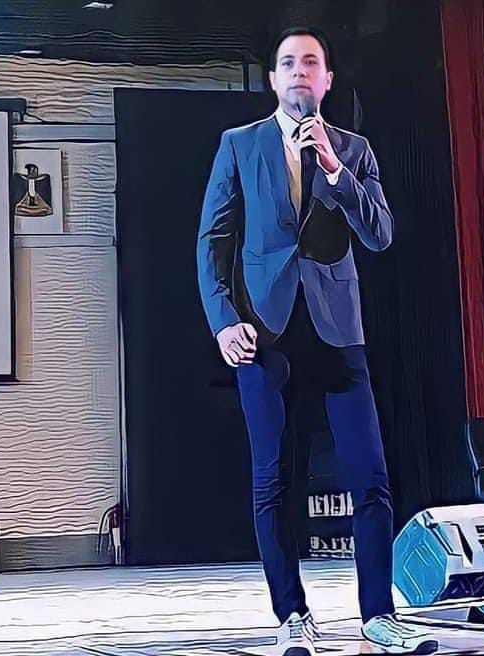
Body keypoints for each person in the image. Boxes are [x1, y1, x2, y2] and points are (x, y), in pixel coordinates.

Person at [196, 26, 437, 656]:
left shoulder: (354, 150)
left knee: (371, 477)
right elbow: (213, 241)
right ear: (273, 79)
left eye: (310, 63)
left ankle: (378, 615)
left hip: (337, 331)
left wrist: (333, 168)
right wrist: (223, 320)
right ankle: (292, 616)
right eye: (287, 63)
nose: (298, 71)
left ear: (327, 80)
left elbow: (380, 234)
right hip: (265, 333)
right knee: (273, 482)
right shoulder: (239, 145)